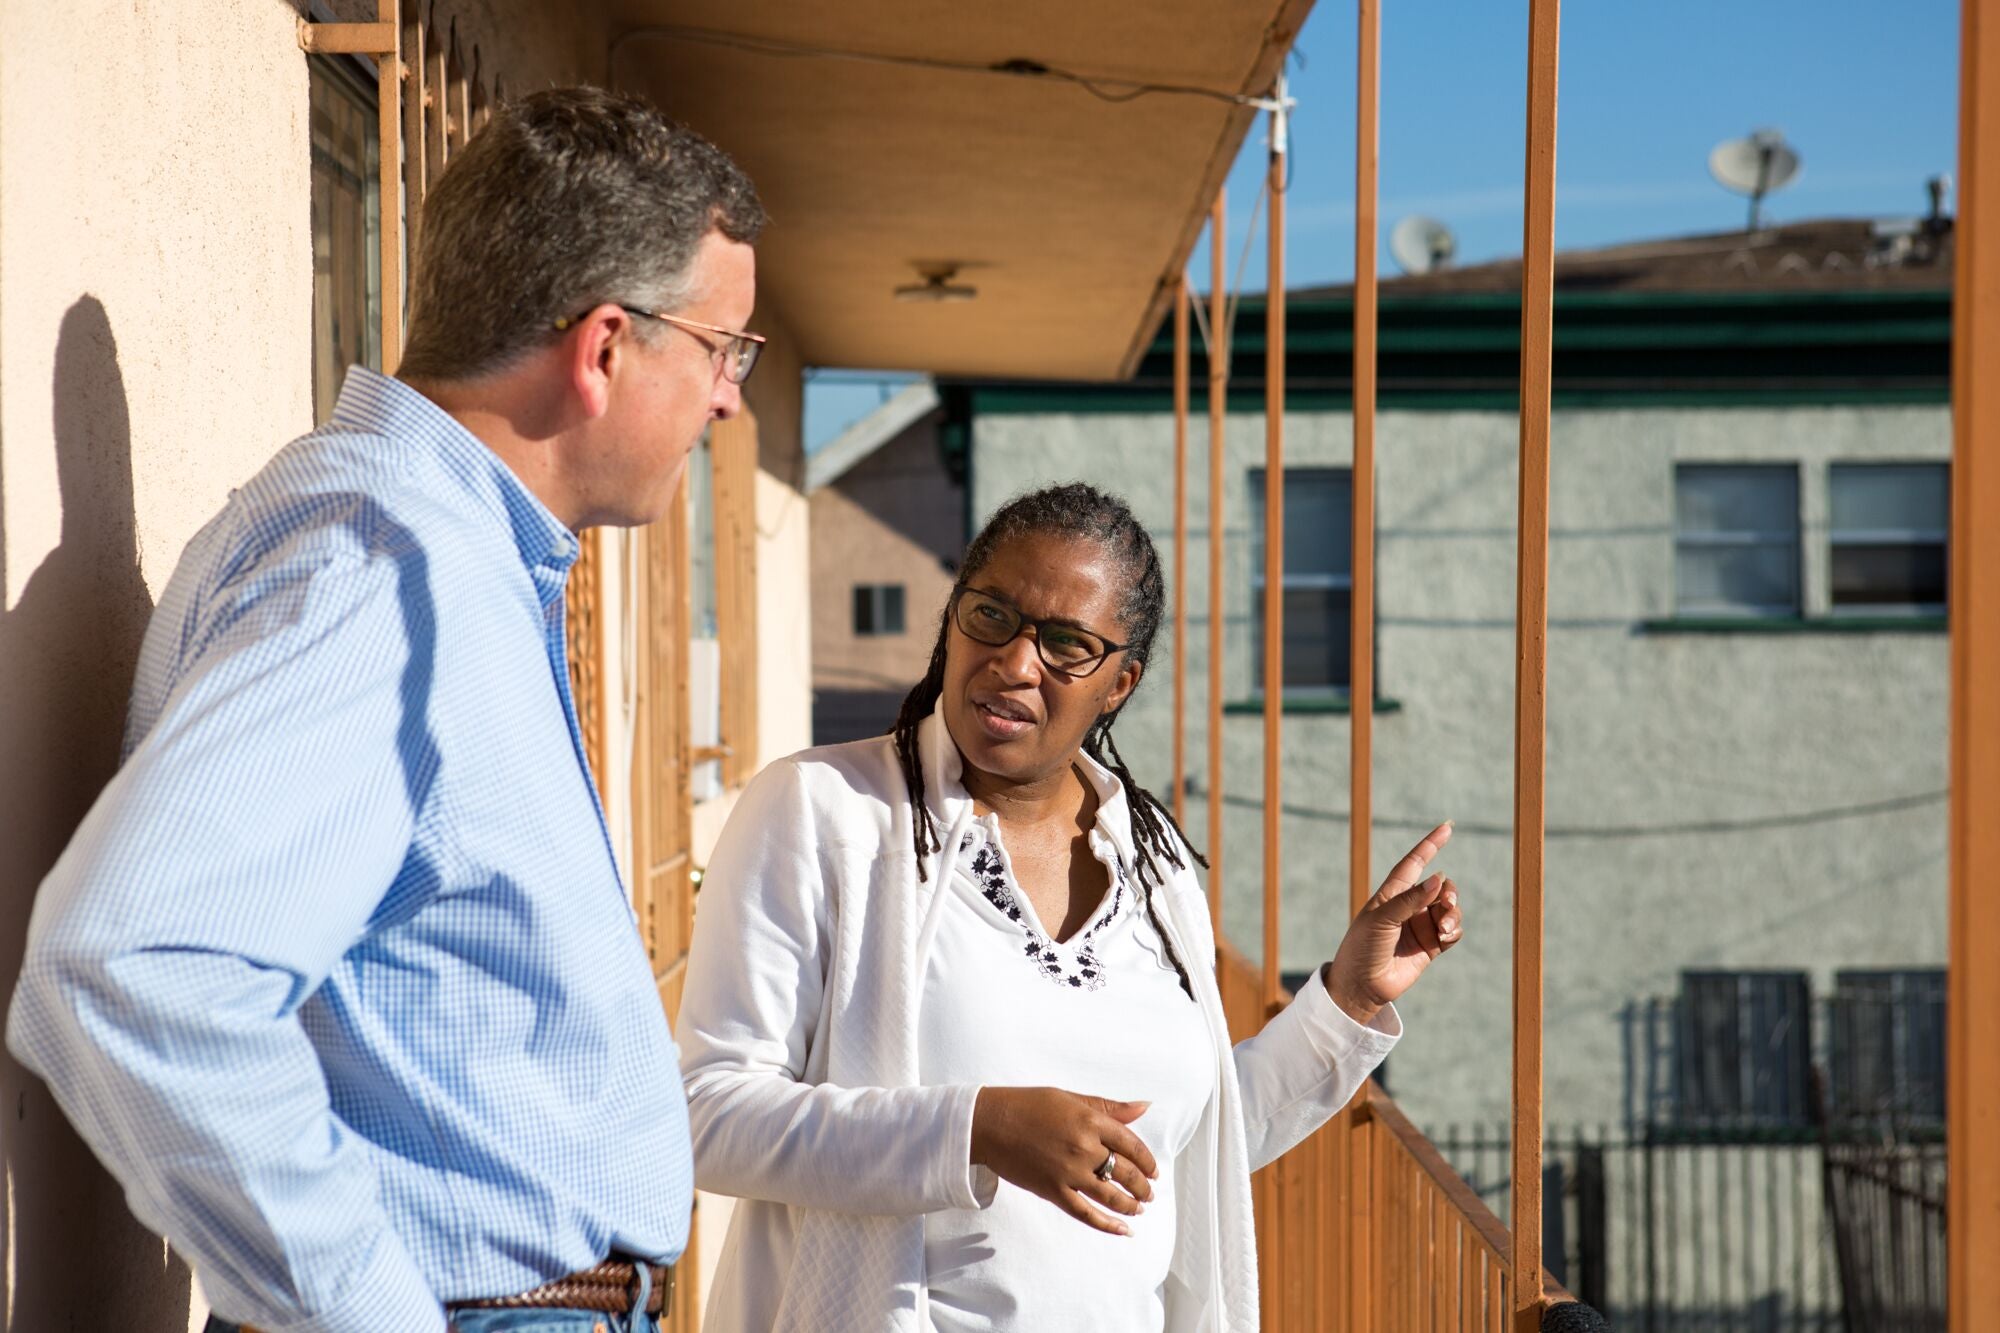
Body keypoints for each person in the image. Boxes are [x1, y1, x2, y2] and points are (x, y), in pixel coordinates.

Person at [6, 87, 765, 1333]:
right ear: (606, 347)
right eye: (722, 349)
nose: (727, 401)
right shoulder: (385, 568)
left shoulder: (424, 550)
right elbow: (134, 961)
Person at [676, 483, 1464, 1333]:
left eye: (1066, 645)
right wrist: (977, 1127)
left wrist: (1346, 1000)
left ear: (1119, 683)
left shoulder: (1155, 865)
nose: (1016, 662)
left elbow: (1179, 1146)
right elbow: (709, 1113)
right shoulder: (825, 810)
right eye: (991, 616)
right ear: (951, 620)